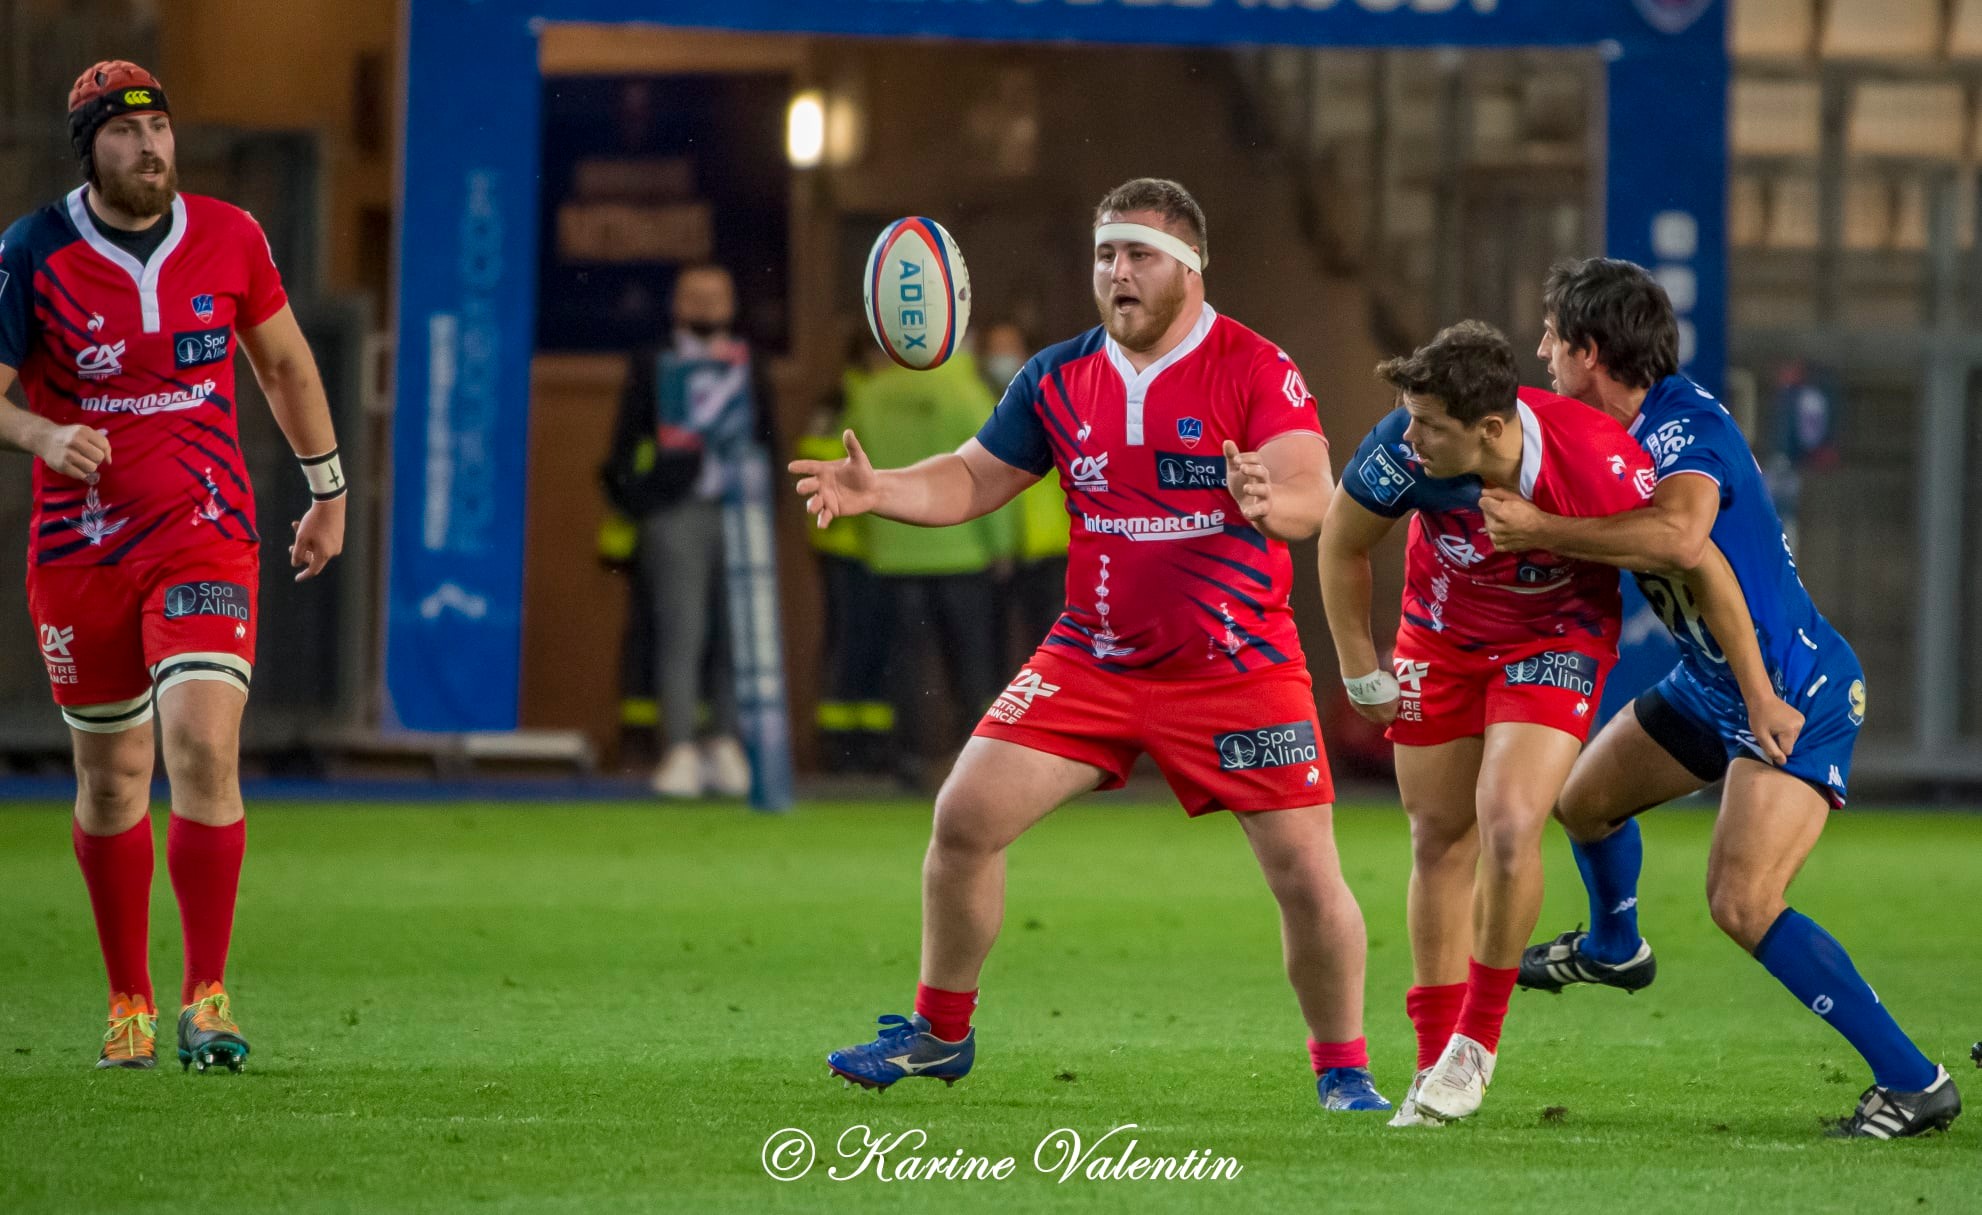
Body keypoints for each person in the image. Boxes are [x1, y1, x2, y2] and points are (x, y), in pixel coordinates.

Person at [793, 177, 1391, 1111]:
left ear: (1191, 271)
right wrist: (883, 491)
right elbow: (971, 478)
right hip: (1092, 659)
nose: (1117, 273)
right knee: (963, 819)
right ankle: (940, 1034)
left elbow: (1313, 484)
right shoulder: (1057, 376)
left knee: (1310, 879)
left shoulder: (1253, 366)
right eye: (1106, 255)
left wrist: (1275, 503)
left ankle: (1343, 1069)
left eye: (1139, 255)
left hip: (1235, 667)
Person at [1484, 257, 1961, 1139]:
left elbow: (1679, 533)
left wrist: (1542, 530)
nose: (1542, 350)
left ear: (1590, 350)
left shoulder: (1683, 429)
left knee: (1742, 901)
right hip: (1711, 685)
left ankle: (1913, 1080)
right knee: (1584, 803)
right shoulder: (1607, 435)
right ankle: (1615, 947)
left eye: (1554, 335)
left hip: (1791, 691)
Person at [1319, 321, 1784, 1124]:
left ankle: (1474, 1045)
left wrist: (1759, 690)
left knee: (1507, 825)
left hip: (1553, 638)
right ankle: (1433, 1063)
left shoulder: (1596, 460)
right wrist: (1362, 665)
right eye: (1411, 417)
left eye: (1431, 424)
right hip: (1439, 634)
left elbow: (1696, 561)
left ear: (1491, 430)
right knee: (1437, 836)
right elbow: (1341, 544)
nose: (1412, 435)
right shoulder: (1404, 447)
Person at [0, 62, 346, 1071]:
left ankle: (209, 998)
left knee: (200, 747)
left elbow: (283, 362)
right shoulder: (33, 252)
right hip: (80, 552)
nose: (150, 149)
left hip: (205, 533)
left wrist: (327, 493)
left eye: (160, 131)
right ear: (89, 148)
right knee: (111, 782)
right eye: (123, 135)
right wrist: (40, 435)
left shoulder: (232, 236)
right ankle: (129, 1004)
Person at [602, 264, 760, 799]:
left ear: (732, 303)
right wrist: (650, 500)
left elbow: (770, 436)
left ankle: (726, 745)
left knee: (736, 635)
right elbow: (622, 445)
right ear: (676, 304)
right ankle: (680, 749)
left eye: (716, 296)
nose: (706, 305)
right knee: (681, 632)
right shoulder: (652, 362)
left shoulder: (747, 362)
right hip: (677, 513)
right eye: (695, 296)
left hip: (739, 511)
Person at [841, 342, 1011, 785]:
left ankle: (910, 759)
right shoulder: (964, 391)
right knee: (972, 666)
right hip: (962, 551)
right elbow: (995, 470)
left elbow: (854, 471)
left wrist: (870, 540)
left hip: (894, 553)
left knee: (906, 665)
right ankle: (978, 763)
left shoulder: (871, 393)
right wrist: (1002, 545)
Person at [978, 319, 1072, 671]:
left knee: (1050, 644)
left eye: (1009, 348)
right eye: (995, 349)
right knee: (995, 649)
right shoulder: (978, 403)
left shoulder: (1049, 397)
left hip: (1049, 547)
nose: (1002, 358)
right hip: (997, 550)